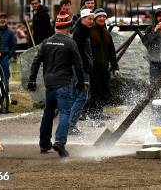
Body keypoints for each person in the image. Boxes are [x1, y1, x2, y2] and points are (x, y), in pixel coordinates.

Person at [27, 10, 84, 158]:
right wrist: (81, 81)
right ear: (68, 27)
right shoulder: (70, 43)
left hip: (49, 84)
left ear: (56, 26)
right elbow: (78, 65)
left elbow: (36, 61)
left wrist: (32, 80)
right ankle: (60, 141)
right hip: (63, 83)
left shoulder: (46, 42)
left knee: (48, 112)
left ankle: (44, 143)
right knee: (65, 112)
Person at [87, 8, 120, 120]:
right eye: (99, 17)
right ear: (95, 18)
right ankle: (93, 114)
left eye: (103, 17)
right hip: (92, 68)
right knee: (94, 92)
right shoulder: (89, 31)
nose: (101, 18)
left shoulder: (106, 33)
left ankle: (99, 112)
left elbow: (112, 52)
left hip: (104, 68)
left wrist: (115, 67)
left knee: (104, 91)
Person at [68, 9, 94, 135]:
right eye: (89, 19)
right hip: (80, 70)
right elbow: (77, 55)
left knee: (75, 97)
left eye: (92, 19)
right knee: (81, 97)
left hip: (80, 69)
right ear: (83, 18)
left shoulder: (82, 30)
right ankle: (71, 126)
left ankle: (69, 125)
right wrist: (81, 74)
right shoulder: (79, 33)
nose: (92, 21)